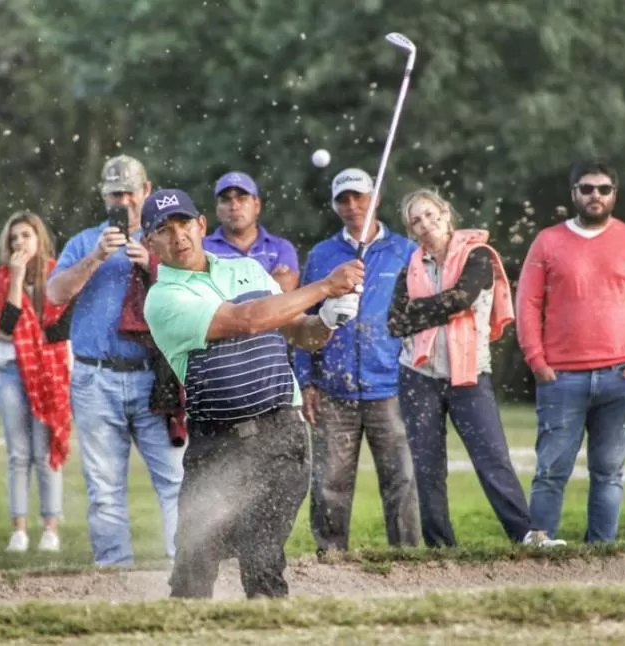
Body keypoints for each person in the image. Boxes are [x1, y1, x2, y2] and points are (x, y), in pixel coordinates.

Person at [142, 187, 363, 598]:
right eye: (164, 230)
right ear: (148, 243)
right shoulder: (163, 298)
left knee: (262, 558)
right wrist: (325, 287)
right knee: (193, 565)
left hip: (281, 435)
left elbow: (300, 332)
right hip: (216, 443)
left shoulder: (247, 269)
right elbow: (245, 320)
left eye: (185, 224)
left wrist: (329, 319)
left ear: (201, 225)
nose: (178, 237)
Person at [389, 188, 560, 548]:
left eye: (430, 215)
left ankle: (525, 534)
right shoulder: (411, 269)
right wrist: (440, 309)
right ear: (411, 230)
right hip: (418, 376)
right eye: (416, 221)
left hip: (468, 374)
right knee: (427, 467)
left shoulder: (478, 255)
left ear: (446, 214)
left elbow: (462, 298)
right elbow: (394, 323)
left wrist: (420, 311)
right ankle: (439, 546)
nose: (425, 225)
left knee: (492, 458)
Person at [46, 155, 183, 566]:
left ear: (147, 191)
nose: (122, 201)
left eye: (129, 192)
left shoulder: (167, 240)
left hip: (152, 377)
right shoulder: (84, 241)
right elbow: (54, 295)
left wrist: (154, 266)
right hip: (95, 377)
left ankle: (187, 567)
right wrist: (96, 258)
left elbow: (195, 296)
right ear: (103, 197)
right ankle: (114, 573)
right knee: (104, 488)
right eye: (114, 194)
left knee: (175, 479)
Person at [517, 160, 625, 544]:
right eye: (587, 188)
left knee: (609, 472)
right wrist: (537, 362)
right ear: (573, 194)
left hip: (621, 377)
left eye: (604, 189)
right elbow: (526, 303)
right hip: (561, 377)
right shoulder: (547, 241)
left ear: (615, 194)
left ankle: (601, 553)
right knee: (550, 470)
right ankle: (541, 546)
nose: (596, 195)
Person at [294, 168, 421, 554]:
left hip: (392, 387)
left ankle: (408, 558)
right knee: (331, 482)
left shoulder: (405, 251)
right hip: (334, 389)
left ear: (375, 198)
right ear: (335, 206)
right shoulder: (322, 255)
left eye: (359, 197)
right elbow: (303, 321)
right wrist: (307, 380)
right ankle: (332, 559)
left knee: (401, 479)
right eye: (343, 200)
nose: (352, 206)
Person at [0, 211, 72, 552]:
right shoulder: (1, 278)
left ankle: (50, 526)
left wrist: (33, 336)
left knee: (45, 452)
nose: (20, 243)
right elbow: (4, 327)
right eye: (14, 238)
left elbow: (59, 329)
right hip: (10, 373)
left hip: (48, 374)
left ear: (39, 239)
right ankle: (19, 528)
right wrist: (16, 278)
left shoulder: (57, 275)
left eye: (25, 236)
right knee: (18, 454)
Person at [202, 171, 300, 291]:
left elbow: (285, 289)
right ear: (217, 209)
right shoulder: (202, 248)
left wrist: (228, 288)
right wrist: (268, 282)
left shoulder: (281, 248)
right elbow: (203, 294)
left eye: (242, 199)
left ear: (257, 205)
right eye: (226, 200)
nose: (234, 207)